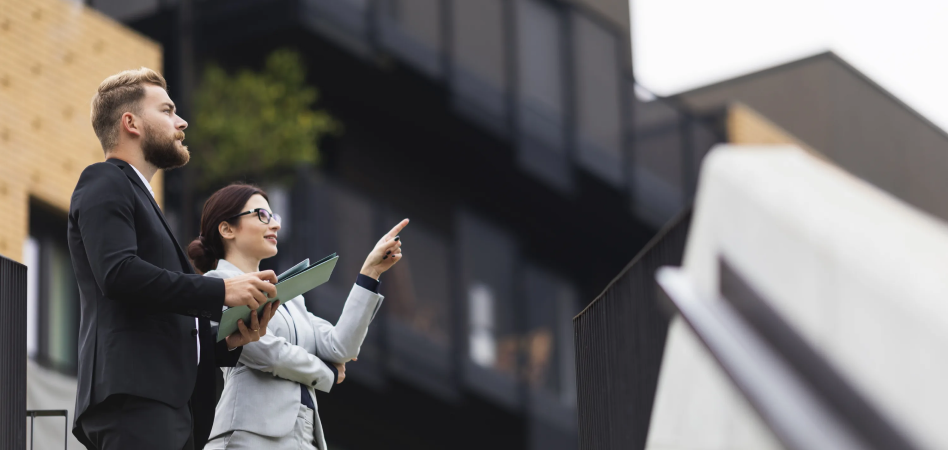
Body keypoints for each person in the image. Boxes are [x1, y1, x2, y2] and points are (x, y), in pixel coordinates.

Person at [68, 68, 281, 450]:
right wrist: (220, 290)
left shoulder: (145, 200)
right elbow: (118, 274)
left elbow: (168, 317)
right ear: (130, 122)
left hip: (175, 411)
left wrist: (229, 341)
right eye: (167, 110)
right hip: (137, 399)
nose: (181, 122)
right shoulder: (104, 180)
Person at [189, 183, 407, 449]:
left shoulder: (290, 297)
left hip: (304, 439)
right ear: (227, 229)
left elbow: (341, 347)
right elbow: (264, 351)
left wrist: (369, 274)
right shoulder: (218, 284)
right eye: (262, 215)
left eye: (274, 216)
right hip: (247, 438)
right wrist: (325, 371)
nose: (275, 225)